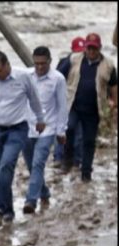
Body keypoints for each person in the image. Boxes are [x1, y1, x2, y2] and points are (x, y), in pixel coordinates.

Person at [0, 51, 46, 226]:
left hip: (17, 129)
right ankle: (9, 212)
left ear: (7, 65)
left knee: (6, 164)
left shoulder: (23, 77)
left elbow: (34, 99)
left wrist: (40, 120)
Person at [59, 32, 118, 182]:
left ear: (99, 48)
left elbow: (113, 85)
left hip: (93, 109)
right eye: (89, 48)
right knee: (69, 128)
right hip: (74, 105)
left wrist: (114, 102)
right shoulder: (73, 59)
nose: (91, 51)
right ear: (85, 47)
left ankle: (86, 172)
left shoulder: (108, 65)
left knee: (89, 141)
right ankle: (68, 159)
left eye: (94, 48)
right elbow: (59, 76)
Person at [20, 47, 67, 214]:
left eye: (43, 64)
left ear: (50, 61)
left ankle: (30, 201)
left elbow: (62, 106)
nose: (39, 67)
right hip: (27, 127)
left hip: (48, 128)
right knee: (31, 166)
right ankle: (44, 192)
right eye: (36, 63)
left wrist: (61, 131)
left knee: (38, 162)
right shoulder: (26, 76)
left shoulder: (58, 79)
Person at [53, 37, 86, 169]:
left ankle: (77, 160)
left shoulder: (88, 64)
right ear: (72, 50)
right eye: (77, 51)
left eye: (81, 51)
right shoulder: (66, 62)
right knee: (63, 130)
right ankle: (59, 157)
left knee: (79, 134)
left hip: (82, 104)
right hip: (66, 102)